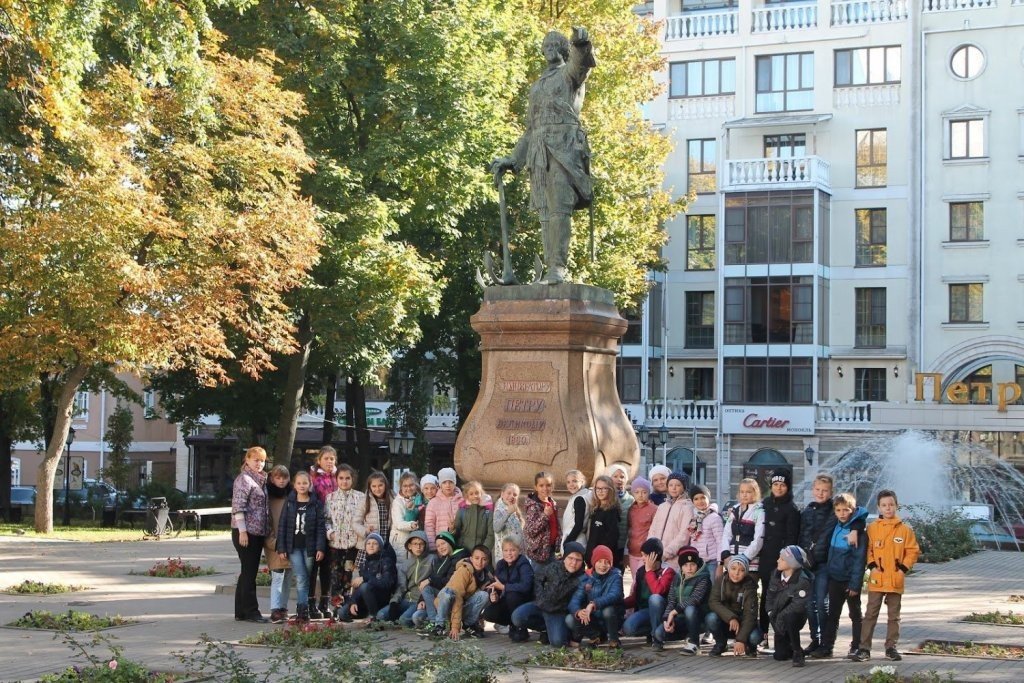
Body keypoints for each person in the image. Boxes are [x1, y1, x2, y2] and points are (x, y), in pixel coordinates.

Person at [489, 27, 595, 285]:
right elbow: (530, 129)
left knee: (560, 207)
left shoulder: (569, 75)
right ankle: (550, 269)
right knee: (545, 212)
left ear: (562, 48)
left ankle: (557, 268)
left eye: (554, 44)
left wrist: (582, 44)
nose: (549, 48)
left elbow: (581, 65)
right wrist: (513, 159)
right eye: (545, 45)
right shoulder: (537, 86)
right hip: (538, 150)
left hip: (564, 148)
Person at [852, 489, 920, 663]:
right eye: (884, 505)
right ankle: (864, 648)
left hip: (895, 579)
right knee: (870, 614)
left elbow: (912, 551)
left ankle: (891, 647)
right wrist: (873, 566)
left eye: (891, 504)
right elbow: (868, 550)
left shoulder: (905, 530)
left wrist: (902, 569)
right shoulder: (873, 529)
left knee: (894, 616)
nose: (888, 508)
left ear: (896, 505)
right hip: (878, 578)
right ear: (879, 508)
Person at [815, 492, 868, 659]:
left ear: (852, 510)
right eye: (838, 510)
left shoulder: (858, 533)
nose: (842, 513)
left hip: (849, 581)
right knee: (833, 615)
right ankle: (827, 647)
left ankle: (857, 646)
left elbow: (859, 561)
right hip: (835, 578)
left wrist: (855, 584)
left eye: (846, 510)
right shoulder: (836, 526)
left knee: (855, 615)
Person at [510, 541, 587, 646]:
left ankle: (560, 631)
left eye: (578, 560)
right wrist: (540, 596)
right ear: (564, 557)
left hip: (558, 612)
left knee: (558, 643)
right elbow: (538, 578)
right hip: (541, 604)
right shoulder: (554, 567)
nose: (573, 563)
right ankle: (545, 628)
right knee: (517, 617)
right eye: (570, 558)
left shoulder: (582, 579)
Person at [276, 471, 327, 623]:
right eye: (299, 483)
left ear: (310, 484)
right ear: (294, 485)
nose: (302, 486)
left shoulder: (316, 503)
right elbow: (282, 525)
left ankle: (305, 608)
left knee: (308, 577)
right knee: (301, 578)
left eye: (305, 483)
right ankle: (302, 610)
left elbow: (320, 527)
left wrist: (320, 548)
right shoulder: (290, 502)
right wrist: (281, 548)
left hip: (310, 547)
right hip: (294, 548)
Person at [758, 470, 801, 641]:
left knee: (780, 597)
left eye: (782, 485)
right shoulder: (764, 504)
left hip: (780, 559)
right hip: (764, 557)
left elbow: (792, 536)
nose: (779, 488)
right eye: (775, 484)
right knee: (766, 596)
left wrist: (785, 560)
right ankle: (763, 633)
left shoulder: (791, 508)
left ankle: (781, 635)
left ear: (788, 487)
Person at [798, 472, 838, 654]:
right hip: (807, 565)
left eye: (825, 490)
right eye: (818, 489)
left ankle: (826, 644)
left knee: (822, 604)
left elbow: (856, 514)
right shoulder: (808, 511)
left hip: (824, 565)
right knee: (809, 604)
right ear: (813, 490)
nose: (821, 493)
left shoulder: (835, 511)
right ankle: (815, 639)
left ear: (831, 492)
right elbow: (801, 536)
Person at [231, 446, 270, 622]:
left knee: (246, 571)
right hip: (247, 533)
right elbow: (238, 507)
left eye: (262, 460)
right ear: (247, 460)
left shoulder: (259, 479)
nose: (259, 463)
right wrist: (243, 531)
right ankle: (251, 611)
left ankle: (240, 611)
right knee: (249, 572)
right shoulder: (244, 480)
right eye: (256, 460)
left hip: (256, 532)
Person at [429, 545, 494, 640]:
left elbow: (479, 599)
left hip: (463, 606)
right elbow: (457, 597)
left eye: (484, 559)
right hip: (449, 605)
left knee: (484, 595)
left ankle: (469, 624)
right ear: (471, 558)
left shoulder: (486, 575)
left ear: (487, 561)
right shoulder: (464, 570)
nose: (479, 562)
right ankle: (440, 625)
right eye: (476, 558)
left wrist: (494, 598)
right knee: (447, 593)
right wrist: (455, 627)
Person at [654, 545, 711, 655]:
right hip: (681, 618)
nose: (689, 568)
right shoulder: (677, 578)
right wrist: (667, 619)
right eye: (685, 565)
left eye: (692, 564)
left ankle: (694, 643)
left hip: (699, 620)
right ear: (681, 566)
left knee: (690, 609)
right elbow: (671, 600)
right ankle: (687, 635)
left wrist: (673, 612)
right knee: (659, 634)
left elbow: (695, 599)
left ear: (697, 564)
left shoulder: (704, 578)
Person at [324, 464, 366, 612]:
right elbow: (326, 519)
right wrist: (330, 532)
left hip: (352, 545)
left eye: (347, 478)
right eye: (341, 478)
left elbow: (363, 519)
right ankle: (335, 605)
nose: (344, 481)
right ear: (336, 479)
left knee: (348, 575)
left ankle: (347, 605)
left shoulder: (360, 497)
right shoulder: (330, 498)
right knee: (335, 575)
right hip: (335, 544)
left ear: (352, 479)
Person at [567, 544, 625, 648]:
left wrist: (593, 604)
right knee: (570, 619)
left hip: (612, 618)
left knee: (608, 610)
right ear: (594, 562)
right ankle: (595, 636)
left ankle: (614, 640)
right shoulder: (586, 578)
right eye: (600, 561)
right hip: (593, 619)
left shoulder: (616, 575)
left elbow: (615, 594)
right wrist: (579, 612)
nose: (603, 565)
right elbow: (574, 600)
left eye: (607, 562)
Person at [706, 554, 762, 658]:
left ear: (745, 572)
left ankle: (748, 646)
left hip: (743, 623)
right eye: (733, 568)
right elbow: (713, 602)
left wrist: (740, 640)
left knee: (755, 637)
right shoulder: (721, 580)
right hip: (726, 622)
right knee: (711, 618)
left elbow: (750, 616)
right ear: (728, 568)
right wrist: (731, 618)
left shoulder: (750, 586)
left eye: (741, 570)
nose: (736, 573)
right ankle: (721, 644)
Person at [767, 544, 812, 667]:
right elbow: (769, 597)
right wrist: (770, 612)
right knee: (780, 656)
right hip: (776, 616)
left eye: (781, 559)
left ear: (791, 563)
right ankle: (790, 645)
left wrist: (779, 617)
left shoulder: (802, 581)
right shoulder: (775, 574)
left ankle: (797, 652)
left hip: (793, 617)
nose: (777, 560)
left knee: (790, 617)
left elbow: (797, 606)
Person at [622, 537, 674, 643]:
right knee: (628, 628)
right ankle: (654, 632)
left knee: (654, 599)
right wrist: (620, 603)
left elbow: (658, 591)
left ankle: (657, 638)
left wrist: (649, 571)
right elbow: (636, 596)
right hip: (645, 611)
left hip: (662, 611)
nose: (643, 559)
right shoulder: (641, 571)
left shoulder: (667, 571)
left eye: (645, 555)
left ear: (654, 556)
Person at [308, 445, 338, 619]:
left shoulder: (338, 477)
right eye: (326, 458)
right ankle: (311, 603)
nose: (329, 461)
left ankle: (325, 602)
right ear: (319, 460)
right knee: (314, 566)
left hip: (334, 529)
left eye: (332, 458)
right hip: (316, 527)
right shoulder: (312, 478)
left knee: (328, 567)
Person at [340, 532, 397, 623]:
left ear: (380, 546)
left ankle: (374, 617)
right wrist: (353, 601)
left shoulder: (386, 561)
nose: (371, 546)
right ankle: (364, 614)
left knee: (365, 586)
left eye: (375, 543)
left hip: (381, 599)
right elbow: (359, 587)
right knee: (342, 613)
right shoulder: (364, 563)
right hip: (365, 601)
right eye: (368, 543)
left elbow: (387, 583)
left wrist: (365, 578)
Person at [482, 537, 534, 635]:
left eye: (512, 550)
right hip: (507, 601)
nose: (509, 553)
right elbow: (496, 584)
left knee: (512, 595)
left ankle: (520, 628)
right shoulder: (501, 564)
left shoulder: (524, 563)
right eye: (505, 550)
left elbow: (526, 586)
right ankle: (513, 624)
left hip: (524, 601)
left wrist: (504, 587)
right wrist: (494, 596)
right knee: (488, 613)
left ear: (519, 550)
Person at [415, 530, 466, 630]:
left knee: (428, 586)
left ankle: (438, 623)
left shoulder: (460, 557)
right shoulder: (443, 559)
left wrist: (430, 580)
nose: (441, 547)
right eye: (438, 546)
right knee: (416, 616)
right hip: (439, 595)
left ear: (450, 543)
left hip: (451, 595)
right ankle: (433, 621)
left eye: (443, 543)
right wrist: (421, 600)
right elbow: (434, 577)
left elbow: (449, 581)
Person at [381, 530, 433, 627]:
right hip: (406, 599)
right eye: (415, 544)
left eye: (421, 544)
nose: (418, 547)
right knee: (381, 616)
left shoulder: (432, 560)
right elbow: (401, 586)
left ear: (425, 545)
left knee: (404, 621)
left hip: (420, 600)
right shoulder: (405, 564)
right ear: (409, 546)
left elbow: (436, 578)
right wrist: (394, 602)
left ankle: (422, 617)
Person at [647, 472, 695, 571]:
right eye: (671, 485)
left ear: (684, 487)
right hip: (654, 557)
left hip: (673, 559)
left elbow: (684, 535)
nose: (674, 488)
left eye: (678, 485)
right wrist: (650, 549)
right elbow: (653, 529)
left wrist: (666, 553)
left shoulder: (688, 508)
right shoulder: (662, 506)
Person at [719, 478, 765, 576]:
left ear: (755, 493)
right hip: (731, 561)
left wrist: (745, 557)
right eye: (742, 492)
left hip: (750, 562)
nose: (744, 495)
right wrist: (726, 554)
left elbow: (759, 539)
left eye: (748, 492)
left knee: (747, 590)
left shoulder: (759, 512)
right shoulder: (735, 510)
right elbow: (726, 534)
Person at [265, 465, 293, 624]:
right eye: (278, 478)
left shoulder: (292, 496)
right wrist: (274, 543)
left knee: (288, 577)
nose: (281, 481)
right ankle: (275, 609)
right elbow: (266, 524)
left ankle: (283, 607)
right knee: (277, 576)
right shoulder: (267, 497)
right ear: (272, 478)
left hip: (290, 544)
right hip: (275, 544)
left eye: (284, 478)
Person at [523, 471, 560, 566]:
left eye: (548, 485)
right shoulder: (532, 506)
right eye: (541, 485)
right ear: (536, 487)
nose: (545, 488)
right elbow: (531, 530)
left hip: (552, 550)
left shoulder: (553, 503)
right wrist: (544, 515)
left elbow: (556, 525)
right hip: (539, 553)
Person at [688, 484, 724, 577]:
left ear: (708, 498)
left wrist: (720, 563)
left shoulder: (714, 517)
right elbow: (693, 540)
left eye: (703, 497)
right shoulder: (694, 518)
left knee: (711, 588)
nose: (700, 501)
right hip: (698, 561)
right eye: (696, 499)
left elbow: (720, 541)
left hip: (712, 561)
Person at [585, 475, 621, 567]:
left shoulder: (611, 511)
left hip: (603, 561)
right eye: (598, 488)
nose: (600, 491)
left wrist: (601, 558)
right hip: (592, 557)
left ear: (610, 490)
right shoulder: (596, 508)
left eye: (604, 488)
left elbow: (612, 538)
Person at [625, 477, 657, 580]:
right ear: (633, 494)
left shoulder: (654, 509)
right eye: (637, 492)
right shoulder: (631, 509)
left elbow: (656, 531)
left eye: (644, 492)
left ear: (648, 493)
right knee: (635, 579)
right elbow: (629, 529)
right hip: (632, 551)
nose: (640, 495)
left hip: (646, 553)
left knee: (640, 581)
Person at [425, 467, 463, 551]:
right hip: (441, 546)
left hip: (459, 544)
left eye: (451, 482)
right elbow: (429, 526)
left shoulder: (462, 501)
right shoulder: (433, 502)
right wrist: (433, 547)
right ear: (440, 484)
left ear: (455, 483)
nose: (448, 485)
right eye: (444, 482)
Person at [455, 481, 495, 552]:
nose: (475, 496)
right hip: (464, 550)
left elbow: (490, 534)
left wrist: (483, 550)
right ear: (467, 496)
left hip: (481, 551)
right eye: (471, 494)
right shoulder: (462, 510)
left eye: (477, 493)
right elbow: (457, 531)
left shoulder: (488, 511)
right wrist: (452, 529)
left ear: (481, 493)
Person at [607, 464, 634, 565]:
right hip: (606, 544)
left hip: (622, 546)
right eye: (615, 476)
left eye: (622, 477)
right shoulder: (605, 498)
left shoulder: (631, 500)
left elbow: (631, 526)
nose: (619, 479)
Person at [390, 471, 421, 557]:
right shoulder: (397, 502)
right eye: (405, 486)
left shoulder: (419, 498)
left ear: (416, 485)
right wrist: (411, 525)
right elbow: (398, 523)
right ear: (401, 487)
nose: (409, 488)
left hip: (416, 540)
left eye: (411, 485)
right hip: (400, 540)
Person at [493, 482, 524, 561]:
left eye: (515, 494)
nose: (511, 496)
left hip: (517, 552)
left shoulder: (514, 509)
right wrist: (508, 513)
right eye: (509, 493)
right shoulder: (499, 510)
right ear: (502, 494)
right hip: (506, 556)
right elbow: (496, 528)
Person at [561, 469, 591, 550]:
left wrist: (566, 542)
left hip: (575, 541)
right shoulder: (578, 497)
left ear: (582, 482)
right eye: (568, 482)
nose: (571, 484)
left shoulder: (579, 499)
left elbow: (578, 525)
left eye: (574, 481)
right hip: (574, 539)